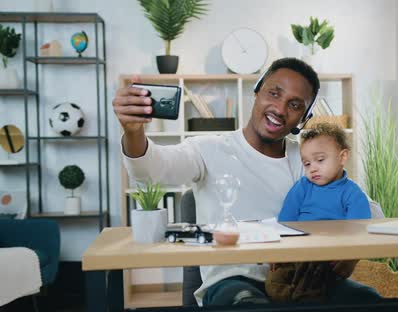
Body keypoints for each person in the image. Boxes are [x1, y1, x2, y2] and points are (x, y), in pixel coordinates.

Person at [113, 57, 378, 306]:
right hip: (233, 280)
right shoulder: (209, 149)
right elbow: (149, 172)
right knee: (248, 304)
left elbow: (369, 210)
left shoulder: (309, 160)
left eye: (295, 105)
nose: (280, 108)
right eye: (274, 93)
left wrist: (350, 248)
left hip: (305, 280)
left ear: (304, 119)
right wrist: (133, 132)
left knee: (369, 299)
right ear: (257, 91)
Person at [265, 123, 377, 303]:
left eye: (320, 160)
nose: (313, 168)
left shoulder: (352, 193)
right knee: (274, 284)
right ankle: (294, 297)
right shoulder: (301, 187)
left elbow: (359, 231)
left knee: (315, 286)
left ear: (343, 157)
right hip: (295, 254)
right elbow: (285, 221)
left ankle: (301, 298)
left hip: (327, 258)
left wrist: (349, 258)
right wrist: (278, 252)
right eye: (307, 163)